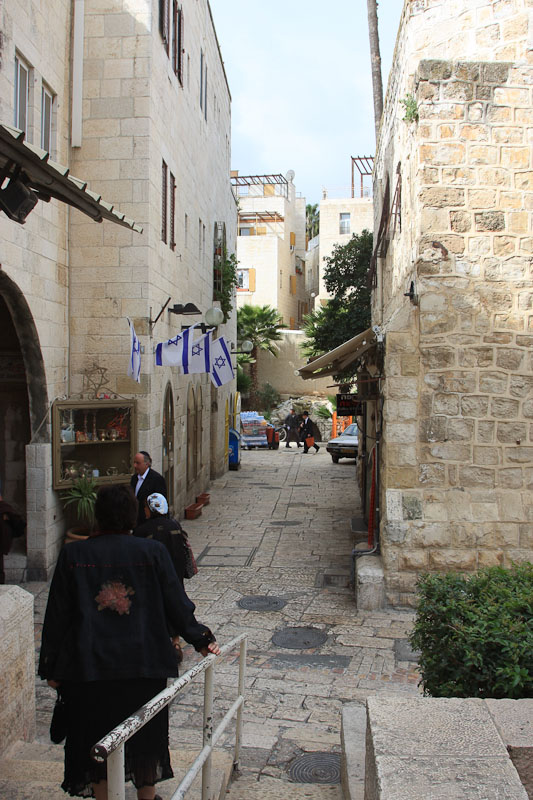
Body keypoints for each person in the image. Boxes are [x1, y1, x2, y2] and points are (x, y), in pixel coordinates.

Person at [39, 484, 220, 800]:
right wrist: (201, 639)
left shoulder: (74, 555)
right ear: (132, 516)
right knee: (145, 738)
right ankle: (146, 797)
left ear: (98, 516)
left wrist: (51, 667)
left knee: (96, 740)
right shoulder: (152, 552)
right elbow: (176, 603)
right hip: (143, 664)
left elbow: (57, 614)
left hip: (90, 668)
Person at [134, 492, 194, 665]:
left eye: (146, 507)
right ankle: (175, 642)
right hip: (175, 575)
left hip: (152, 579)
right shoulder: (175, 526)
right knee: (174, 605)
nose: (144, 511)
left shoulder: (142, 531)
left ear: (151, 509)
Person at [130, 451, 167, 528]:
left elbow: (161, 504)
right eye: (134, 463)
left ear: (146, 464)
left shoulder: (157, 479)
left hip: (149, 523)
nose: (135, 465)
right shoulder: (134, 478)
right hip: (136, 522)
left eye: (138, 463)